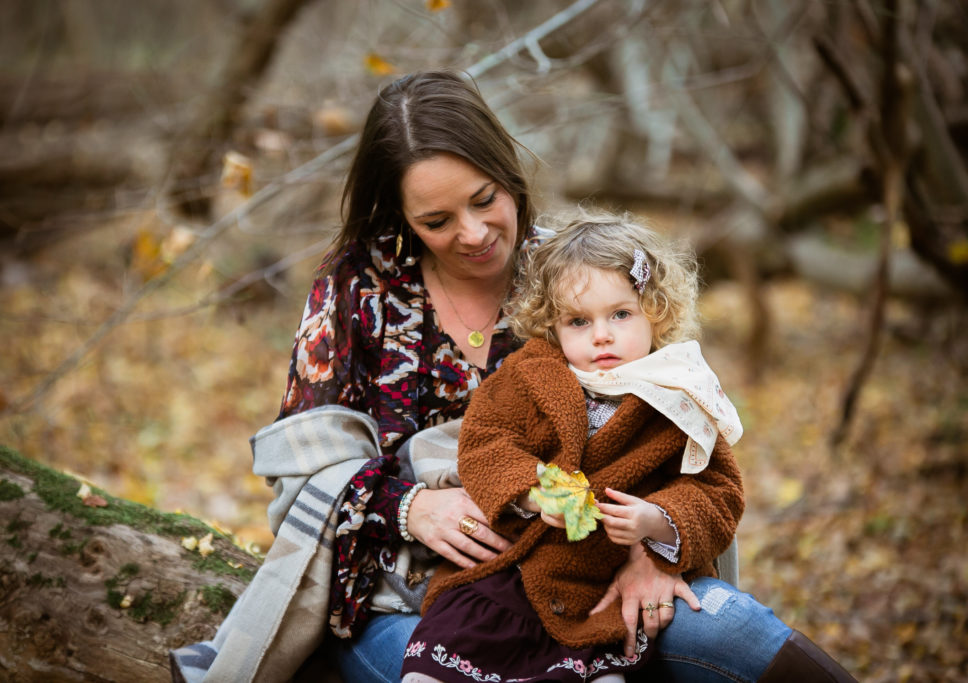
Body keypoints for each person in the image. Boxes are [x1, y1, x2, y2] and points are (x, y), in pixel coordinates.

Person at [170, 69, 856, 683]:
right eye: (437, 220)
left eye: (484, 199)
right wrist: (412, 505)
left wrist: (656, 548)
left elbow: (675, 423)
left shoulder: (570, 271)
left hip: (591, 574)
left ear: (509, 172)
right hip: (415, 595)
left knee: (733, 631)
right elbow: (304, 467)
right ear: (401, 216)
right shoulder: (360, 287)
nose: (472, 233)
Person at [399, 210, 747, 682]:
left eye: (621, 314)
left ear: (657, 312)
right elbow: (487, 442)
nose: (601, 334)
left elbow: (717, 490)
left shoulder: (680, 392)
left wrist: (657, 520)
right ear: (553, 325)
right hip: (511, 575)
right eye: (579, 321)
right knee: (429, 671)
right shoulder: (530, 376)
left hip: (600, 590)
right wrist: (533, 491)